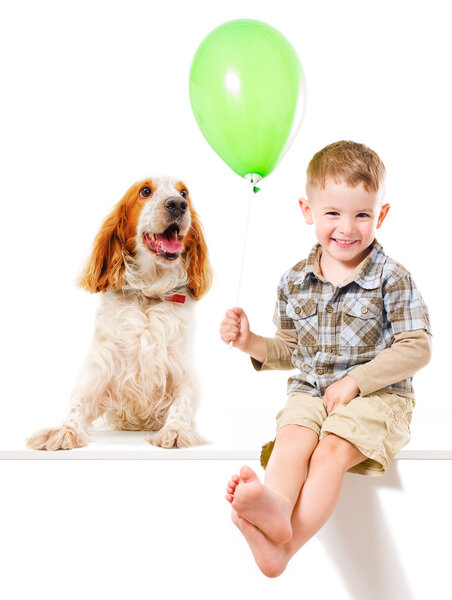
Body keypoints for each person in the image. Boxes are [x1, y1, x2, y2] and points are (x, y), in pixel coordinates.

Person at [219, 140, 432, 578]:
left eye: (361, 215)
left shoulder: (393, 278)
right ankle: (275, 508)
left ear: (381, 215)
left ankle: (286, 547)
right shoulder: (294, 279)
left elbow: (417, 347)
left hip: (378, 398)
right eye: (333, 213)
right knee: (294, 435)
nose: (346, 227)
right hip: (311, 390)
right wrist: (251, 342)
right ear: (308, 210)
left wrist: (355, 382)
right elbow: (290, 349)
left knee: (329, 449)